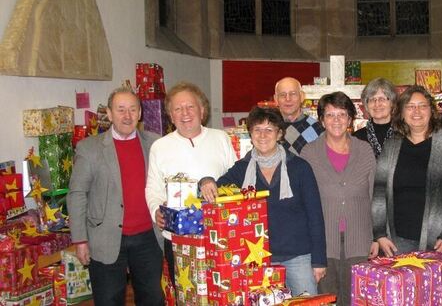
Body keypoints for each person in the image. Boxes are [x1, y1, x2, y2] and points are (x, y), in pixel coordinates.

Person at [199, 106, 327, 296]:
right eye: (257, 130)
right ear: (250, 134)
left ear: (279, 134)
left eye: (269, 129)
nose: (263, 135)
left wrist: (318, 261)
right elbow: (213, 190)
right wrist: (205, 181)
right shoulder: (242, 169)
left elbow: (315, 216)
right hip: (257, 259)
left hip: (298, 257)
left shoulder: (299, 168)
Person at [67, 86, 164, 306]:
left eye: (132, 109)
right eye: (120, 110)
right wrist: (80, 240)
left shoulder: (156, 144)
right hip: (105, 238)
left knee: (153, 299)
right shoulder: (89, 148)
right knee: (108, 300)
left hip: (148, 237)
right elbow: (77, 194)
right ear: (109, 114)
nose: (127, 116)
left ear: (140, 113)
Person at [145, 81, 237, 282]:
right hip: (178, 238)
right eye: (177, 108)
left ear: (202, 110)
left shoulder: (221, 138)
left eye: (190, 106)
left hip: (218, 234)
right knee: (186, 293)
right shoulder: (160, 147)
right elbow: (153, 187)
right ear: (171, 115)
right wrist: (155, 211)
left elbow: (235, 180)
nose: (184, 113)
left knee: (221, 290)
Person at [301, 92, 377, 304]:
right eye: (330, 115)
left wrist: (377, 235)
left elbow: (375, 196)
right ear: (322, 120)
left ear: (350, 119)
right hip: (323, 242)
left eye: (342, 114)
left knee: (360, 299)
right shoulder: (309, 153)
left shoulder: (364, 150)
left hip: (360, 240)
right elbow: (303, 201)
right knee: (327, 299)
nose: (336, 120)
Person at [372, 85, 442, 256]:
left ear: (431, 110)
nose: (417, 111)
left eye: (422, 106)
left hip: (439, 242)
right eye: (410, 106)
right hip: (396, 242)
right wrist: (379, 234)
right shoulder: (391, 145)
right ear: (401, 112)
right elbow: (379, 192)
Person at [274, 77, 324, 154]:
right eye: (282, 95)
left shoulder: (317, 128)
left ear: (302, 97)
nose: (288, 99)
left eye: (293, 93)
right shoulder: (269, 128)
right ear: (276, 99)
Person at [353, 78, 397, 158]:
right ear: (366, 105)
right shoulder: (356, 139)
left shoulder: (404, 134)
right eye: (372, 99)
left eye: (382, 99)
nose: (377, 104)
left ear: (392, 102)